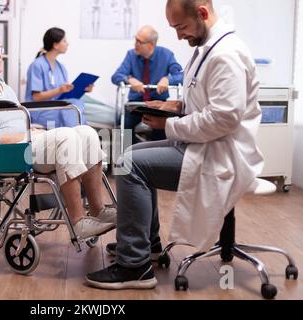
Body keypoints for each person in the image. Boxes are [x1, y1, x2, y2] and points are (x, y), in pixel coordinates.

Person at [86, 0, 264, 290]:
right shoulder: (207, 50)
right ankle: (148, 245)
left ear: (203, 14)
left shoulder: (226, 55)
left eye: (180, 27)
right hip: (201, 145)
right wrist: (175, 106)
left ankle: (134, 266)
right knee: (126, 156)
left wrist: (167, 124)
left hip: (219, 155)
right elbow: (206, 102)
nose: (179, 35)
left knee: (129, 165)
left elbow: (223, 119)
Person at [0, 29, 117, 240]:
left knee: (87, 133)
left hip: (25, 142)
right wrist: (24, 135)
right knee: (65, 136)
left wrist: (31, 131)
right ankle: (78, 222)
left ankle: (97, 209)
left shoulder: (3, 87)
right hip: (7, 152)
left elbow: (20, 119)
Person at [112, 25, 183, 144]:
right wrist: (129, 79)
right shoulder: (131, 55)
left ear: (151, 44)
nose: (135, 44)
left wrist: (168, 79)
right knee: (124, 125)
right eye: (135, 40)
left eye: (139, 41)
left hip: (158, 104)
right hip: (136, 104)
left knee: (162, 127)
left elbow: (182, 76)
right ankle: (130, 157)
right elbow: (116, 76)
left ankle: (156, 158)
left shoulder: (166, 55)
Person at [25, 27, 93, 128]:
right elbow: (36, 97)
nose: (67, 44)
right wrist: (59, 90)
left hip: (57, 107)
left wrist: (83, 89)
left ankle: (79, 134)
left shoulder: (61, 67)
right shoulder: (37, 65)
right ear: (56, 45)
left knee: (76, 104)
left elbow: (65, 94)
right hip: (39, 110)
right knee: (72, 111)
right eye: (64, 41)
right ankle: (80, 135)